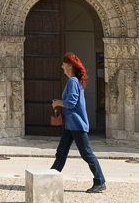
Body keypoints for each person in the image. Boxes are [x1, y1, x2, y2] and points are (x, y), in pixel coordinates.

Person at [50, 52, 106, 194]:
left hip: (76, 124)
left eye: (63, 64)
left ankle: (100, 181)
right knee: (61, 152)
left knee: (86, 153)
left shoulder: (73, 81)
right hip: (70, 124)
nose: (62, 67)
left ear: (69, 65)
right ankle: (50, 179)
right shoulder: (75, 81)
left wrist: (57, 102)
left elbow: (71, 102)